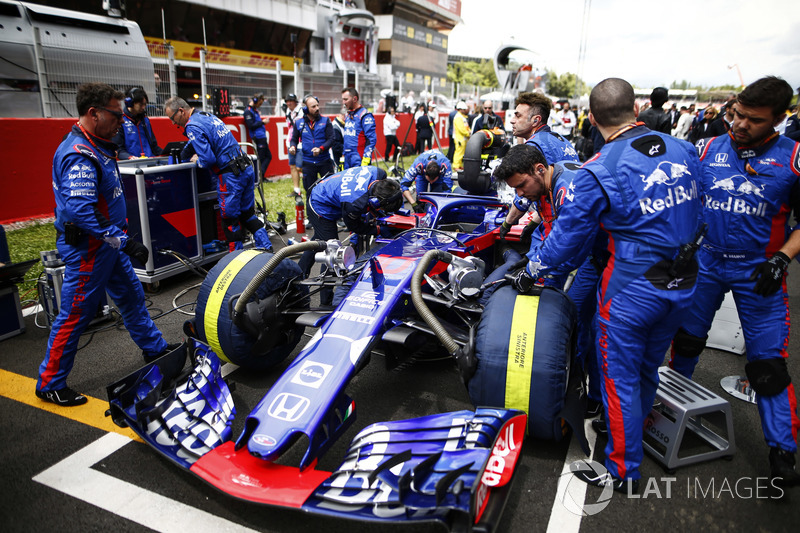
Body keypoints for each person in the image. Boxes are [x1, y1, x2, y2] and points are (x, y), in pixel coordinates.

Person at [500, 78, 702, 493]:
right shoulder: (685, 149)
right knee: (647, 368)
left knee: (618, 376)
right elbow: (706, 209)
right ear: (637, 108)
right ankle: (628, 434)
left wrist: (532, 272)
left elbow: (567, 242)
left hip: (632, 286)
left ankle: (622, 469)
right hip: (685, 278)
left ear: (591, 119)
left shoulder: (598, 169)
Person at [668, 76, 800, 486]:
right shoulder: (708, 147)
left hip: (758, 270)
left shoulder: (794, 158)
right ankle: (669, 412)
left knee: (766, 367)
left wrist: (782, 258)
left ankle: (783, 454)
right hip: (706, 262)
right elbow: (683, 199)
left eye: (753, 120)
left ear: (778, 120)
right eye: (737, 113)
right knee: (687, 341)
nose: (740, 124)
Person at [37, 82, 177, 407]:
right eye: (116, 114)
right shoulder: (79, 153)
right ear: (93, 113)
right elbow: (80, 210)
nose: (122, 121)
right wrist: (124, 241)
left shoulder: (98, 144)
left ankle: (154, 348)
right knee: (75, 313)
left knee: (131, 295)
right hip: (89, 249)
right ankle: (50, 382)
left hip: (107, 246)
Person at [165, 97, 272, 252]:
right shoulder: (206, 116)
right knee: (248, 214)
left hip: (231, 176)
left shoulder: (192, 125)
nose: (173, 123)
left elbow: (208, 160)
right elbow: (199, 140)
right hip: (246, 168)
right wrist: (185, 153)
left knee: (230, 221)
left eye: (172, 118)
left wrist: (197, 161)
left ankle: (235, 261)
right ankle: (267, 251)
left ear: (181, 111)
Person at [298, 166, 402, 304]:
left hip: (331, 189)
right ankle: (325, 301)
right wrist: (377, 230)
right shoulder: (355, 203)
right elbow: (355, 227)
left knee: (319, 240)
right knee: (332, 250)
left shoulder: (379, 173)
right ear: (375, 202)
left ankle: (299, 272)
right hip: (320, 203)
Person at [289, 95, 334, 194]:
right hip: (308, 163)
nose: (317, 108)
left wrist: (321, 149)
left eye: (317, 105)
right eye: (313, 107)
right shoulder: (298, 123)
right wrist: (292, 146)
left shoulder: (326, 121)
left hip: (324, 161)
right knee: (310, 191)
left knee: (330, 190)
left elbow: (331, 139)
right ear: (306, 109)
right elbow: (294, 139)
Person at [112, 87, 162, 159]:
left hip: (150, 161)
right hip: (133, 164)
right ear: (130, 103)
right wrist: (130, 157)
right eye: (141, 104)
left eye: (145, 104)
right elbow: (119, 149)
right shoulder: (120, 121)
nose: (143, 107)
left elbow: (154, 146)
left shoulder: (145, 120)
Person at [342, 87, 377, 169]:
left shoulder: (365, 115)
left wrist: (366, 157)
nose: (343, 102)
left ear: (355, 99)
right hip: (347, 158)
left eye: (346, 99)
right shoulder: (348, 115)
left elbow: (371, 139)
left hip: (359, 158)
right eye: (343, 99)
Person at [243, 92, 272, 180]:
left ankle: (261, 176)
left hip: (261, 136)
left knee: (267, 156)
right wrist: (263, 122)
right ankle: (259, 177)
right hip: (258, 137)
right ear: (256, 100)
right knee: (262, 158)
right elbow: (251, 125)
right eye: (260, 103)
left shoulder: (254, 110)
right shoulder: (248, 111)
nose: (260, 105)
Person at [284, 94, 303, 197]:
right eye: (287, 101)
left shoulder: (301, 111)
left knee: (300, 167)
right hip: (290, 141)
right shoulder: (288, 111)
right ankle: (297, 190)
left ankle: (311, 183)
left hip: (300, 142)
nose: (289, 103)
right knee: (293, 166)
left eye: (291, 101)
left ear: (295, 101)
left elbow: (299, 126)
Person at [453, 101, 470, 170]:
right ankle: (456, 166)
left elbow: (466, 126)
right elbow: (461, 129)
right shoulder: (458, 117)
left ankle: (459, 165)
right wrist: (468, 133)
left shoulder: (462, 117)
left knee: (461, 152)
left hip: (463, 138)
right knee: (459, 152)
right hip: (460, 138)